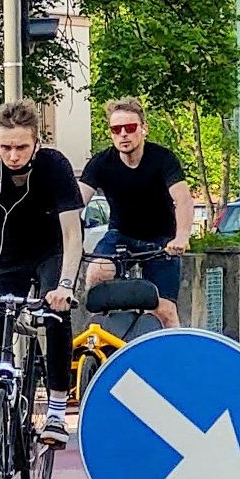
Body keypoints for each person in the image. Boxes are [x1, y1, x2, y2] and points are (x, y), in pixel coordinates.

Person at [0, 100, 85, 447]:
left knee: (56, 314)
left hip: (49, 250)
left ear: (37, 142)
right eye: (5, 146)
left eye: (22, 147)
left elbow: (72, 234)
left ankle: (55, 410)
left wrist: (65, 285)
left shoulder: (55, 166)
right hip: (3, 256)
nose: (13, 155)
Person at [78, 98, 195, 328]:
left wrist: (181, 237)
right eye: (116, 129)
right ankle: (105, 344)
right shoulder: (101, 163)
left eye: (130, 128)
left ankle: (176, 358)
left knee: (164, 310)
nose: (123, 134)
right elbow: (75, 204)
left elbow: (182, 200)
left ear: (143, 129)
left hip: (161, 241)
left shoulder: (162, 159)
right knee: (96, 276)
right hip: (121, 236)